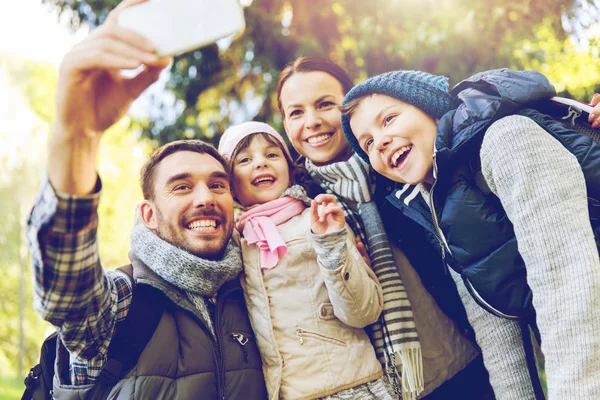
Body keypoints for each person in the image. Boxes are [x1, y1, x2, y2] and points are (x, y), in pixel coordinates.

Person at [26, 0, 267, 398]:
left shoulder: (259, 292)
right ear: (148, 215)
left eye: (218, 184)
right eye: (182, 186)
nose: (205, 197)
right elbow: (66, 293)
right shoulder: (124, 302)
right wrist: (79, 135)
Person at [340, 68, 600, 399]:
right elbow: (495, 328)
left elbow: (566, 282)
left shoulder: (506, 139)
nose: (380, 142)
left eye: (388, 119)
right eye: (368, 143)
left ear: (428, 107)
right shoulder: (434, 202)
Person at [277, 56, 492, 399]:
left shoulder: (401, 160)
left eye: (325, 104)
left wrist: (578, 121)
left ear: (350, 109)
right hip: (386, 384)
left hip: (467, 351)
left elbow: (473, 128)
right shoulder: (294, 206)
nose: (312, 122)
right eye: (296, 112)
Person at [217, 121, 394, 400]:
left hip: (350, 385)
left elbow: (364, 313)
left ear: (290, 168)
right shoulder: (232, 243)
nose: (261, 163)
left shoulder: (320, 220)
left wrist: (331, 245)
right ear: (230, 184)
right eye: (245, 159)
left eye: (272, 154)